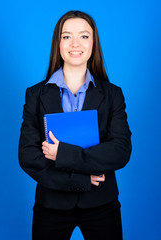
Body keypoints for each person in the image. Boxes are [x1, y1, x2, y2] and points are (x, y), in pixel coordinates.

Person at [18, 10, 132, 240]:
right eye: (67, 36)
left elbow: (120, 151)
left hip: (102, 204)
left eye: (84, 36)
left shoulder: (112, 95)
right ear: (58, 43)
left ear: (93, 43)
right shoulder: (35, 94)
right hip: (51, 206)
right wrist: (80, 179)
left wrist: (62, 153)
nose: (75, 43)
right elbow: (28, 157)